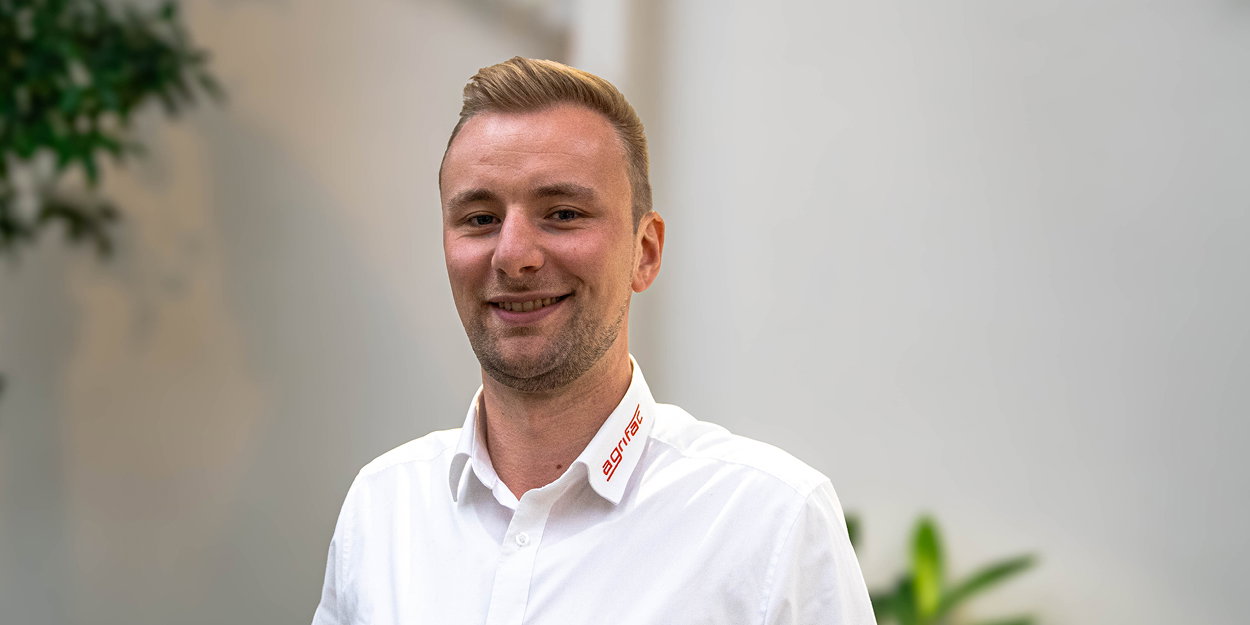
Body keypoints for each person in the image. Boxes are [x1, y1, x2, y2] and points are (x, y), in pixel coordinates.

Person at [311, 57, 874, 625]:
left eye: (562, 213)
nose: (513, 255)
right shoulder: (383, 508)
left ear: (645, 251)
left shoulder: (769, 522)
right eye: (480, 218)